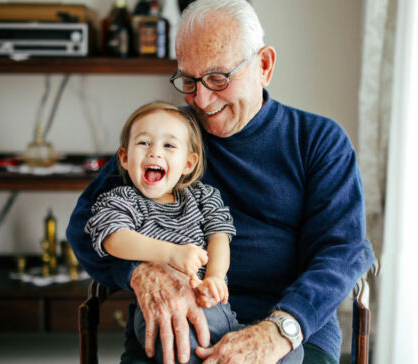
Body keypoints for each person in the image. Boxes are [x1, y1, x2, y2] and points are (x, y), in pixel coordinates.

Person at [66, 0, 376, 363]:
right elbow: (85, 225)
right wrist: (139, 269)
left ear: (264, 66)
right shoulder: (165, 138)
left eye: (218, 78)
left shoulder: (319, 140)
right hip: (178, 321)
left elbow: (342, 250)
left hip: (287, 323)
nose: (202, 99)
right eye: (188, 80)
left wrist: (280, 329)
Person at [83, 101, 302, 364]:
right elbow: (113, 238)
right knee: (182, 344)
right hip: (163, 313)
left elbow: (220, 236)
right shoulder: (122, 199)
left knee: (291, 351)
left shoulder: (203, 196)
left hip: (215, 309)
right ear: (125, 158)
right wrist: (170, 253)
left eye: (169, 145)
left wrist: (215, 278)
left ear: (188, 163)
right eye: (144, 143)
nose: (154, 152)